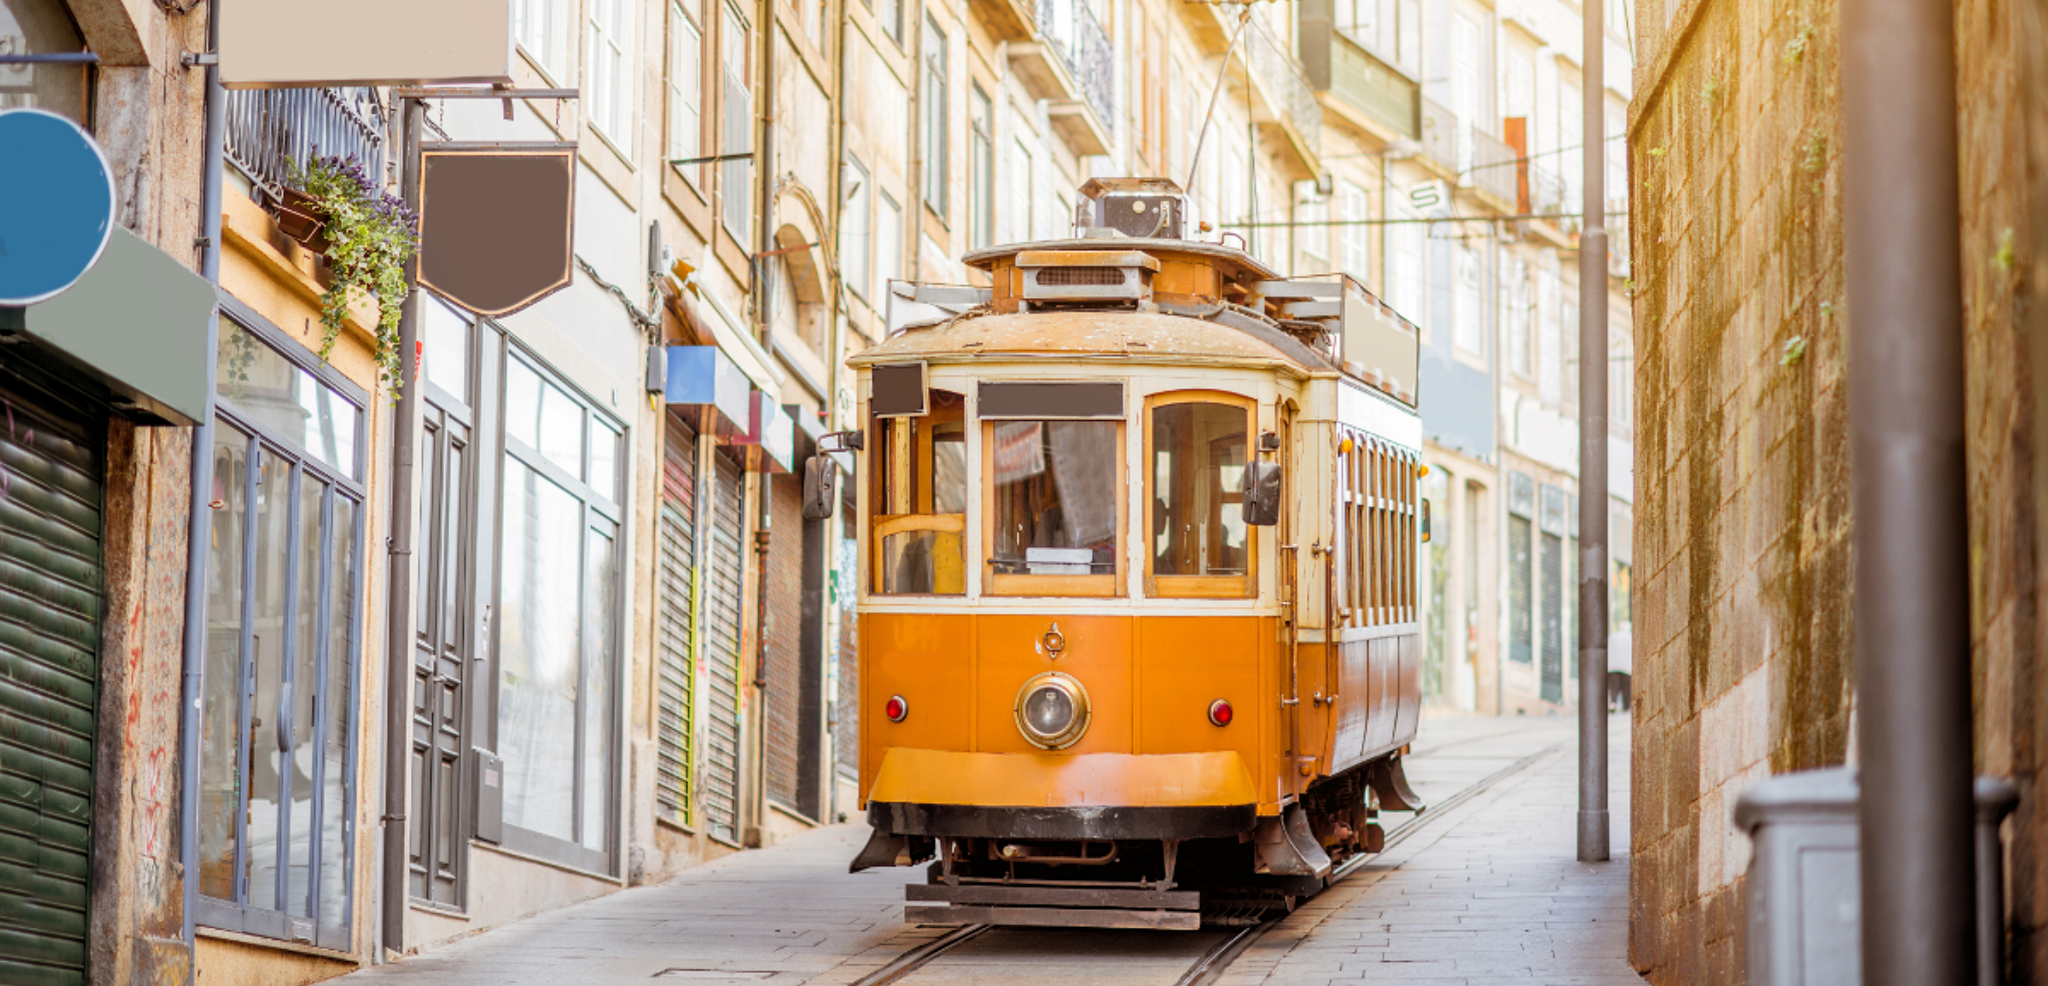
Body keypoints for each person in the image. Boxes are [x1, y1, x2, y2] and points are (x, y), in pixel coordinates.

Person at [1607, 622, 1633, 712]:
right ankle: (1626, 707)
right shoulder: (1630, 637)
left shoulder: (1612, 637)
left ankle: (1612, 704)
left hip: (1613, 665)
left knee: (1614, 687)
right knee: (1627, 687)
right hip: (1626, 666)